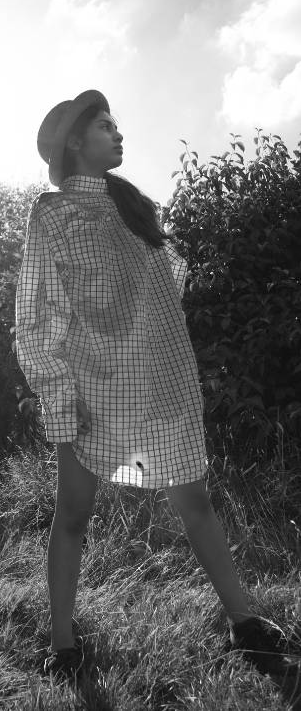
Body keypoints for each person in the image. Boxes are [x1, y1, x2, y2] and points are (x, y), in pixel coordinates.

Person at [15, 89, 291, 685]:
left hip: (163, 379)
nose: (119, 136)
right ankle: (62, 646)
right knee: (74, 514)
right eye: (107, 127)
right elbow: (36, 312)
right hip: (94, 389)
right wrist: (62, 393)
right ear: (74, 141)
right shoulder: (53, 212)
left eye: (117, 127)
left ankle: (245, 623)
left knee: (195, 502)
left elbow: (169, 285)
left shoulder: (136, 207)